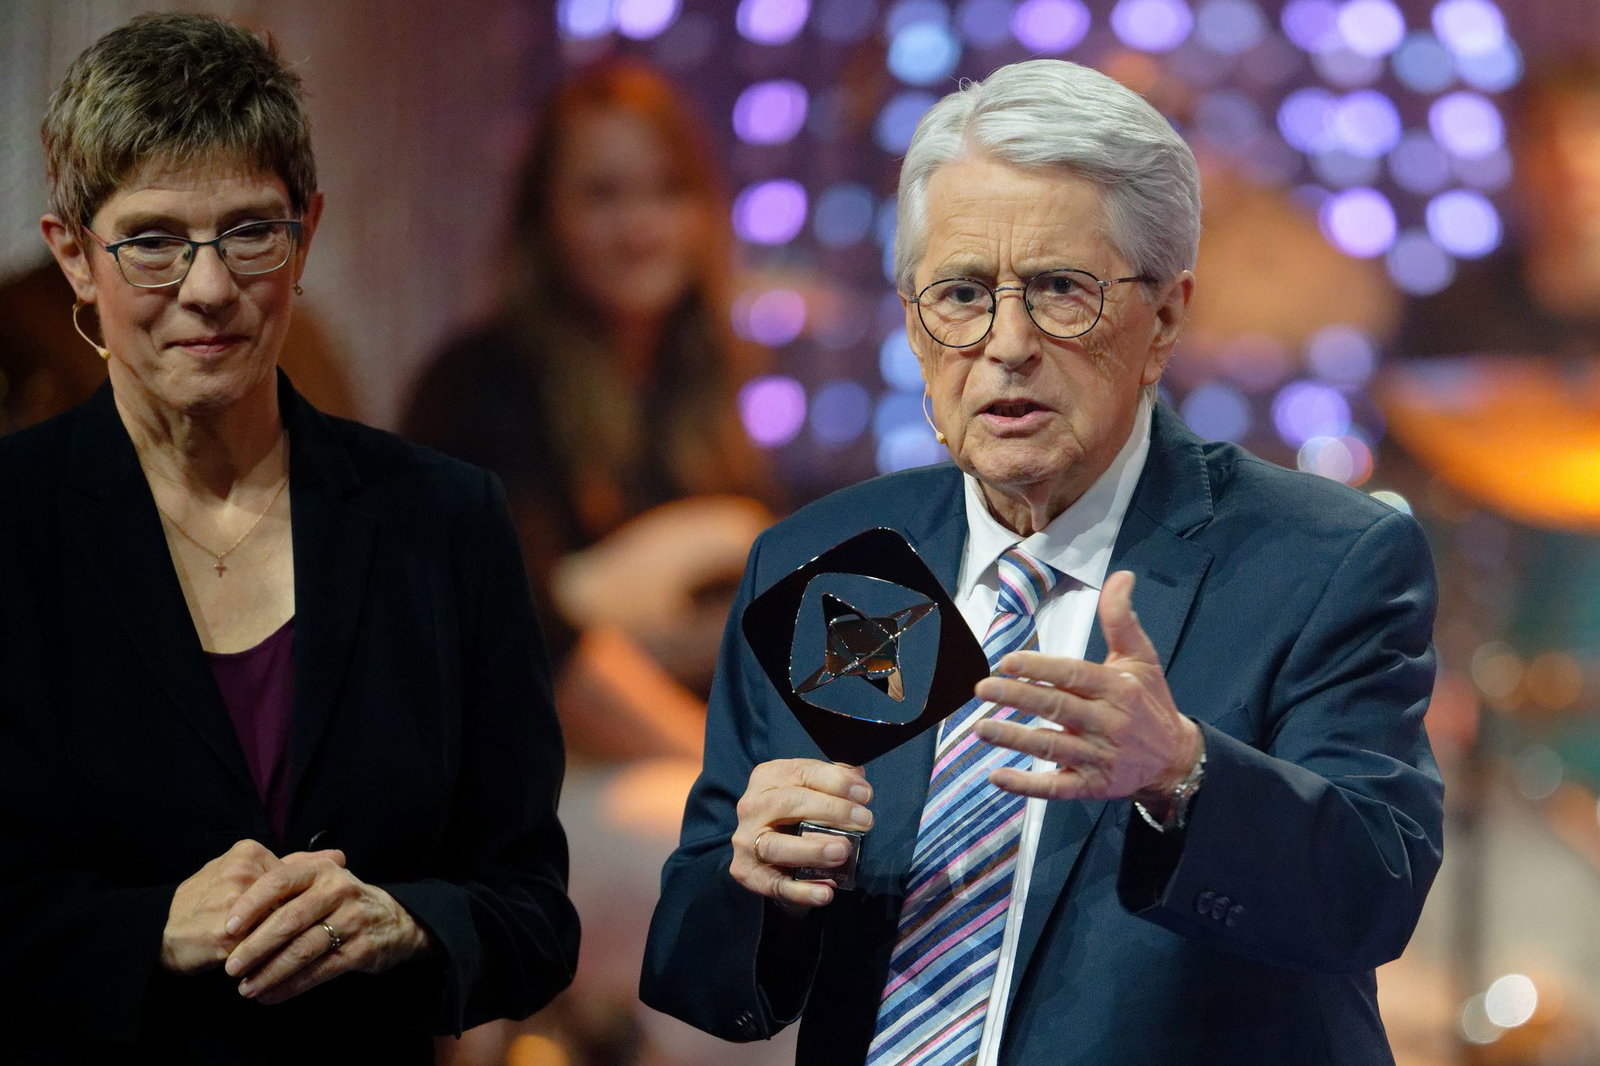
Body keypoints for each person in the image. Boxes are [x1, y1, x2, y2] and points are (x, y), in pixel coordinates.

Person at [641, 59, 1443, 1065]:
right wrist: (756, 882)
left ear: (1164, 319)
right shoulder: (824, 562)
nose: (1006, 342)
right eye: (962, 294)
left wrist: (1184, 775)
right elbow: (700, 978)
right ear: (912, 321)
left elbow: (1375, 894)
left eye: (1061, 291)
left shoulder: (1324, 559)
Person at [0, 13, 578, 1062]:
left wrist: (404, 923)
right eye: (154, 240)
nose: (210, 286)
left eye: (250, 232)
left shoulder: (443, 522)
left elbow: (535, 920)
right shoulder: (11, 527)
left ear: (306, 232)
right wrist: (150, 931)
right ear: (76, 257)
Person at [403, 59, 777, 765]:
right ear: (544, 218)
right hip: (521, 769)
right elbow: (537, 645)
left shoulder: (691, 391)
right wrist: (730, 779)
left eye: (668, 191)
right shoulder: (480, 386)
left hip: (651, 751)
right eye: (603, 195)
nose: (641, 227)